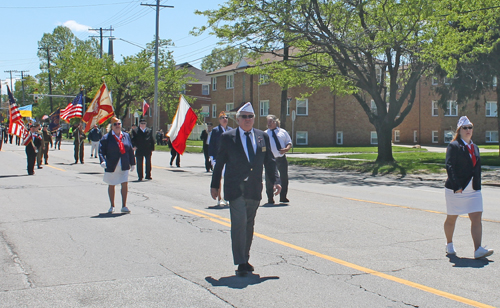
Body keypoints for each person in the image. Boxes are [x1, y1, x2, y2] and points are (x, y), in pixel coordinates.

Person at [210, 102, 281, 276]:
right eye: (244, 117)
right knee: (239, 223)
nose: (247, 120)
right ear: (238, 119)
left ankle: (245, 258)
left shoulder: (261, 137)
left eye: (250, 117)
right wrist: (214, 184)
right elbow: (220, 162)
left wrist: (276, 181)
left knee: (249, 224)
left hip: (254, 187)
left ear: (254, 119)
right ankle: (240, 261)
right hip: (235, 187)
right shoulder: (228, 137)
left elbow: (270, 161)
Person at [444, 116, 493, 259]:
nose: (468, 130)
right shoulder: (454, 146)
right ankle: (449, 243)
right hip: (457, 188)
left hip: (473, 189)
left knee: (477, 216)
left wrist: (478, 185)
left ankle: (478, 249)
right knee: (452, 218)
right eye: (465, 128)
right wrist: (456, 185)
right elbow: (449, 166)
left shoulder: (475, 147)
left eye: (470, 127)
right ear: (459, 130)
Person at [99, 117, 136, 214]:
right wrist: (102, 161)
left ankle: (124, 205)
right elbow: (101, 151)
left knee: (124, 183)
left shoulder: (126, 136)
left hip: (124, 163)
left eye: (118, 124)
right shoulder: (107, 138)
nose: (117, 126)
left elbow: (130, 150)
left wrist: (132, 163)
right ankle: (112, 206)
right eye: (115, 124)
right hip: (112, 164)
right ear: (111, 126)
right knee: (112, 184)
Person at [265, 115, 292, 204]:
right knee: (269, 178)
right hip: (270, 159)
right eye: (267, 122)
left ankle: (283, 197)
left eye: (270, 122)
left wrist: (286, 149)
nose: (268, 124)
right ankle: (270, 198)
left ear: (275, 122)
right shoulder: (265, 134)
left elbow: (289, 142)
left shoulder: (282, 132)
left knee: (284, 177)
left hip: (281, 158)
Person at [209, 111, 233, 206]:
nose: (225, 119)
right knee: (218, 177)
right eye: (223, 118)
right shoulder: (215, 131)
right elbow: (211, 144)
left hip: (229, 158)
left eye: (226, 118)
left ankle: (227, 197)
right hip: (218, 158)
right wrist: (211, 157)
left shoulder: (231, 130)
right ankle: (219, 198)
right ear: (219, 120)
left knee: (228, 178)